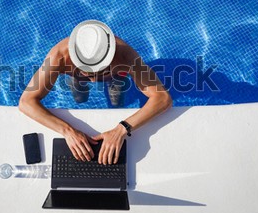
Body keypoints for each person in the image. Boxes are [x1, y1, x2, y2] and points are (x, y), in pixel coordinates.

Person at [18, 20, 172, 165]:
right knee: (80, 98)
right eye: (88, 73)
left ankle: (111, 78)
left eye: (100, 71)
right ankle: (82, 77)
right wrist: (67, 131)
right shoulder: (59, 57)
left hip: (116, 75)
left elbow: (163, 98)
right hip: (77, 76)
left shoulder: (126, 57)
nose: (93, 80)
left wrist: (121, 129)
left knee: (116, 102)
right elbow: (26, 102)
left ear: (111, 58)